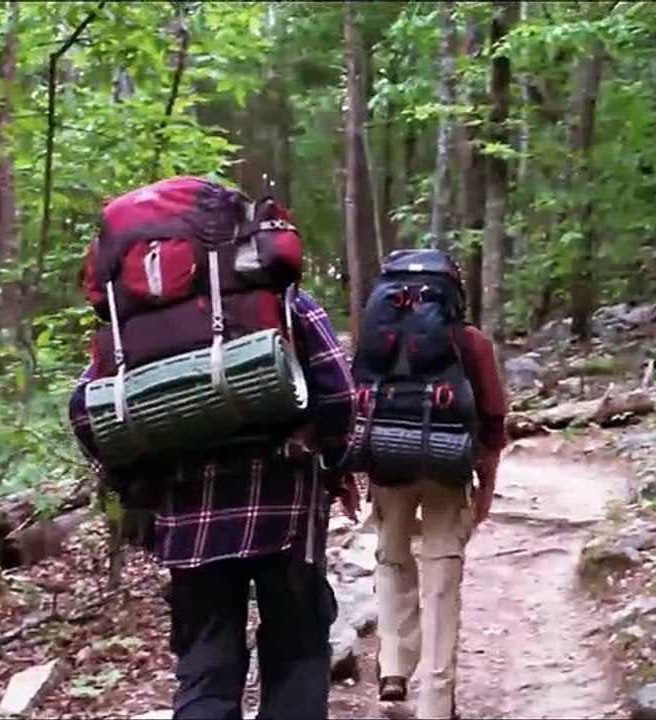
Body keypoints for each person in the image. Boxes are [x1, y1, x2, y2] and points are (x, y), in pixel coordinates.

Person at [68, 177, 359, 720]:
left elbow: (86, 414)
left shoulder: (133, 332)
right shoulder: (278, 298)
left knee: (205, 671)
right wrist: (338, 464)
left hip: (187, 526)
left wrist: (136, 484)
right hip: (287, 509)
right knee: (296, 654)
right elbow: (338, 392)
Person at [350, 250, 509, 720]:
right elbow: (493, 418)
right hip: (449, 466)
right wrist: (486, 484)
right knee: (442, 578)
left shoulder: (373, 341)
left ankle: (394, 665)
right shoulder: (469, 342)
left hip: (387, 464)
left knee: (391, 557)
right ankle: (436, 704)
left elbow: (352, 399)